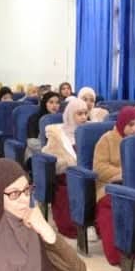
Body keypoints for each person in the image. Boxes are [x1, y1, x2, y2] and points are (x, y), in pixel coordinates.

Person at [94, 107, 135, 265]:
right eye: (130, 125)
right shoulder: (106, 139)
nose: (134, 129)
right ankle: (117, 253)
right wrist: (124, 173)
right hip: (109, 187)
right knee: (113, 205)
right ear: (121, 123)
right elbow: (99, 168)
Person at [42, 97, 88, 239]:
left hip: (88, 173)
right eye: (79, 114)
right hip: (66, 176)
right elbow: (51, 157)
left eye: (85, 113)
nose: (84, 117)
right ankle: (75, 226)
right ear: (70, 115)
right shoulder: (57, 134)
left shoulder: (90, 131)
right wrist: (70, 164)